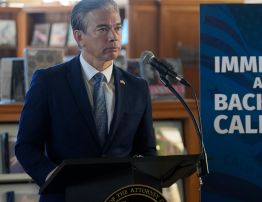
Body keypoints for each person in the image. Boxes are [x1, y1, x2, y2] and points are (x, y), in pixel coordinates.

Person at [15, 0, 156, 201]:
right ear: (79, 37)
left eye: (117, 28)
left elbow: (147, 150)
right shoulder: (49, 82)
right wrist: (51, 176)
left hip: (120, 197)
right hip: (65, 195)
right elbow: (26, 146)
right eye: (102, 29)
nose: (113, 36)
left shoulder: (137, 87)